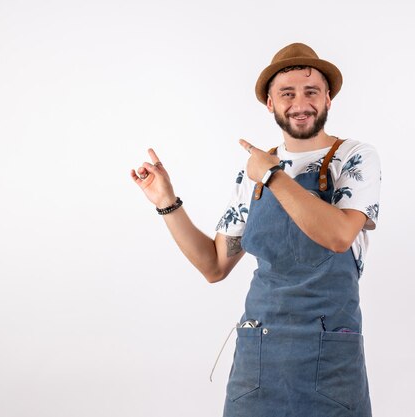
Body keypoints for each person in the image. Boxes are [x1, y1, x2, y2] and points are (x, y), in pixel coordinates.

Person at [131, 42, 380, 417]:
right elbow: (214, 266)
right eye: (287, 93)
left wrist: (273, 175)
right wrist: (167, 201)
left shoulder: (355, 157)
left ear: (328, 98)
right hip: (259, 356)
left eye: (312, 91)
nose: (301, 102)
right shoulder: (254, 173)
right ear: (270, 103)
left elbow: (339, 235)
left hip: (330, 356)